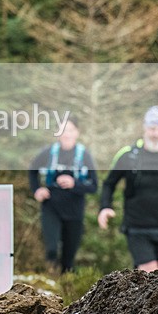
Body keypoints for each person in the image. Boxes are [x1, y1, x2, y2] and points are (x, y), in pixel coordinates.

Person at [98, 106, 158, 273]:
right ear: (145, 128)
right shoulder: (128, 155)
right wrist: (105, 207)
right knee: (150, 276)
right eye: (152, 128)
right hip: (137, 229)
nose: (156, 133)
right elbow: (109, 183)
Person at [29, 117, 98, 273]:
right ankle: (49, 275)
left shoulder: (84, 155)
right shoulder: (49, 153)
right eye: (63, 130)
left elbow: (94, 186)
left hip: (75, 210)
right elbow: (32, 170)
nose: (66, 134)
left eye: (70, 130)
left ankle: (64, 283)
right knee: (52, 249)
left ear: (77, 133)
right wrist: (37, 190)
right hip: (51, 206)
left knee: (68, 259)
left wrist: (74, 184)